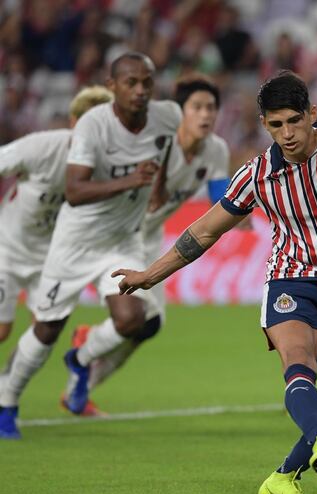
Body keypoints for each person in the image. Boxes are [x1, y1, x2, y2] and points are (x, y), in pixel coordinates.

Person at [112, 71, 317, 494]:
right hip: (292, 280)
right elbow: (206, 232)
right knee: (300, 359)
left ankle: (284, 477)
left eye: (293, 121)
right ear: (264, 124)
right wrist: (150, 275)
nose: (286, 134)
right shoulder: (257, 173)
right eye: (275, 125)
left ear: (313, 115)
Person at [0, 52, 181, 438]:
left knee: (135, 318)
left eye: (146, 82)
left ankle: (80, 357)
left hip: (120, 241)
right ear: (112, 86)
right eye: (130, 82)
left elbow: (162, 149)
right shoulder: (91, 127)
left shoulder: (168, 116)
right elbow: (75, 190)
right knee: (46, 329)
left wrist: (159, 184)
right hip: (73, 244)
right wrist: (131, 181)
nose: (140, 90)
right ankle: (7, 401)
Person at [71, 77, 231, 404]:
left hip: (148, 237)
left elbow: (223, 204)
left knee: (150, 324)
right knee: (134, 318)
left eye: (211, 108)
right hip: (113, 233)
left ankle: (81, 383)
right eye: (197, 107)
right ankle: (83, 353)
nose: (205, 115)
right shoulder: (152, 142)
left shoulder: (216, 149)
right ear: (178, 113)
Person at [0, 86, 114, 391]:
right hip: (7, 249)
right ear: (74, 122)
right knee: (1, 329)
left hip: (51, 259)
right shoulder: (40, 147)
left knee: (44, 331)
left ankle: (5, 386)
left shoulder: (110, 166)